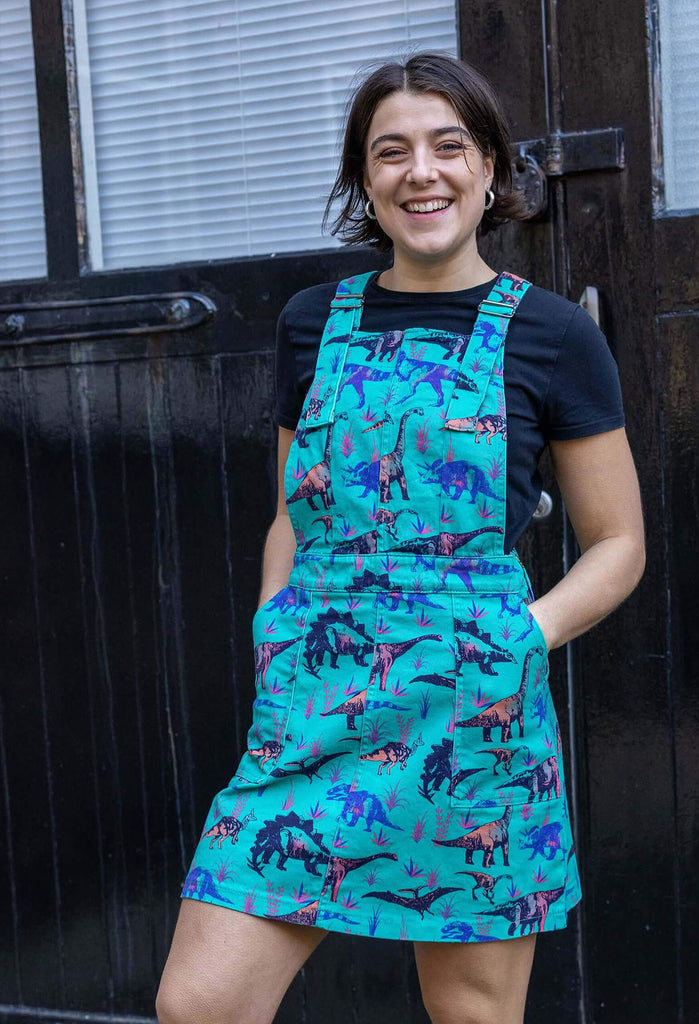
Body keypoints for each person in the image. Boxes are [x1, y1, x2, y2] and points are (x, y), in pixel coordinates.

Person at [156, 51, 645, 1024]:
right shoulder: (310, 324)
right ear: (363, 180)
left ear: (493, 169)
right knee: (199, 1003)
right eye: (392, 151)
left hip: (473, 717)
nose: (422, 170)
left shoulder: (551, 335)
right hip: (311, 715)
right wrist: (273, 625)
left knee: (470, 1016)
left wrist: (524, 636)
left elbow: (618, 543)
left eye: (448, 145)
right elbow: (294, 510)